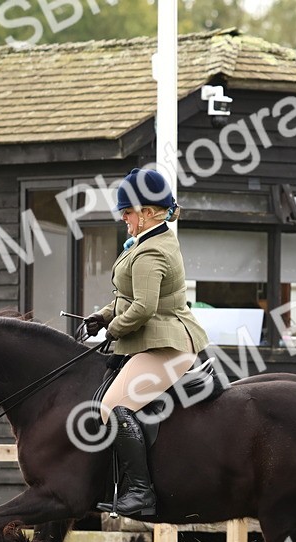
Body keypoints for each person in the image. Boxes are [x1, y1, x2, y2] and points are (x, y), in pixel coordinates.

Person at [83, 168, 210, 517]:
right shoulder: (146, 242)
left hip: (167, 346)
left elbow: (143, 307)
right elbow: (128, 297)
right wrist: (104, 315)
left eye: (128, 212)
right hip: (152, 341)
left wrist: (113, 331)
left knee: (111, 406)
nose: (124, 218)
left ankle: (141, 493)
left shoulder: (152, 251)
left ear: (148, 212)